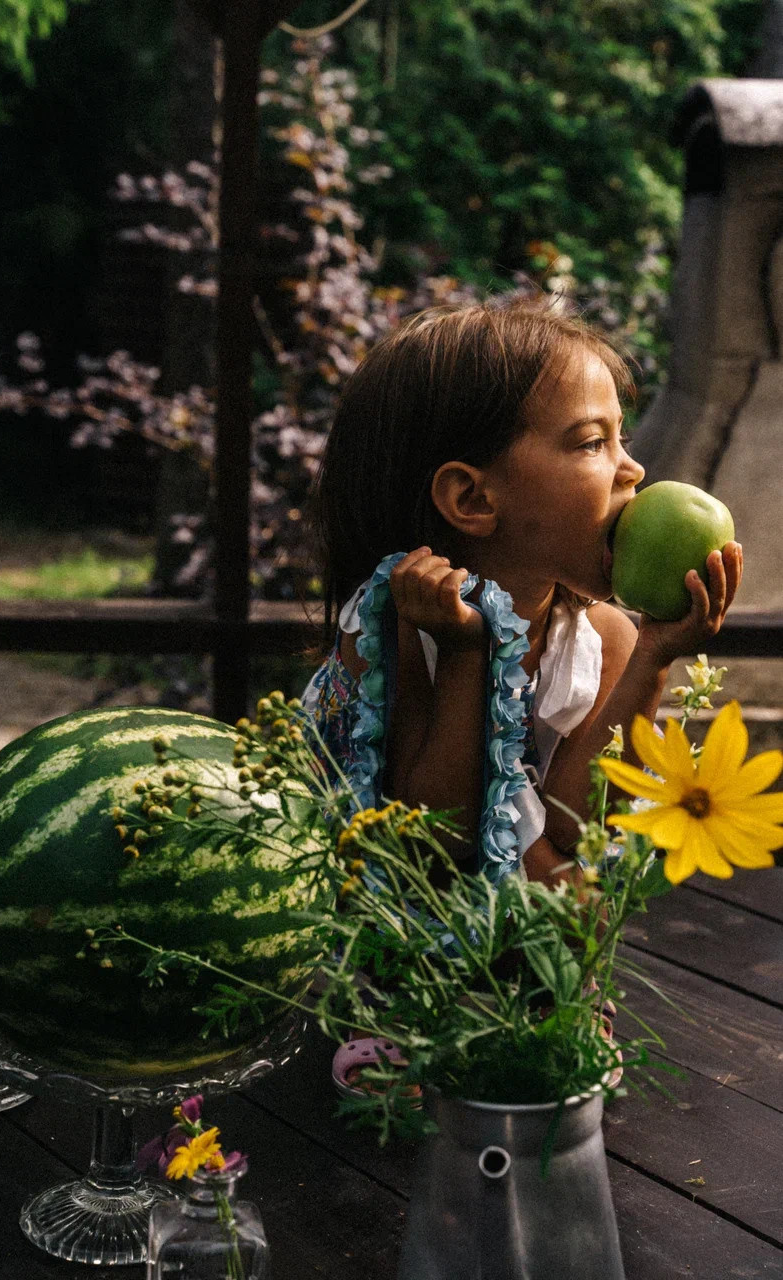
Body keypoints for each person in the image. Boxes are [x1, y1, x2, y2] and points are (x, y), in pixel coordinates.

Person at [300, 294, 742, 1094]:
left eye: (621, 438)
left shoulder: (604, 636)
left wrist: (655, 656)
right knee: (538, 900)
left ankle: (529, 1007)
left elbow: (576, 822)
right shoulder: (394, 626)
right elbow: (431, 837)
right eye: (592, 442)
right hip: (404, 893)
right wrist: (467, 654)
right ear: (473, 500)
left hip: (514, 888)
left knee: (578, 895)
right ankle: (412, 1015)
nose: (633, 470)